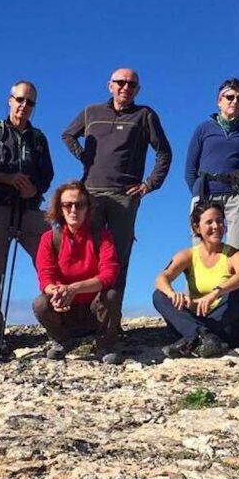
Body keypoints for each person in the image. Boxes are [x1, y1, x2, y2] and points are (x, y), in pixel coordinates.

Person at [61, 68, 171, 310]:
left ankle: (109, 317)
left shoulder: (145, 115)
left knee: (118, 257)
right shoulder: (91, 112)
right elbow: (68, 135)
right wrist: (85, 157)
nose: (125, 87)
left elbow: (164, 152)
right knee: (87, 253)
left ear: (138, 89)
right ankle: (83, 314)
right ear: (109, 85)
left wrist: (149, 184)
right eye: (120, 82)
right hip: (91, 194)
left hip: (124, 196)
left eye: (132, 84)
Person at [0, 80, 54, 353]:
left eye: (30, 102)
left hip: (30, 208)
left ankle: (60, 322)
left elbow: (47, 174)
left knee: (50, 259)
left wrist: (35, 189)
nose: (24, 105)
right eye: (20, 99)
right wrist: (6, 178)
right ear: (10, 100)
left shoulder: (39, 138)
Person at [33, 181, 121, 363]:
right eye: (67, 205)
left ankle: (105, 345)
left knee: (111, 295)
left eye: (79, 205)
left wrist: (74, 288)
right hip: (65, 309)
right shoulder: (49, 239)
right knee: (40, 304)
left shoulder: (102, 236)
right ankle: (61, 341)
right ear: (59, 209)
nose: (73, 210)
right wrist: (56, 292)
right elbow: (45, 278)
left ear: (87, 209)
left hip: (94, 309)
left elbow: (109, 275)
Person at [152, 199, 239, 358]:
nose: (216, 226)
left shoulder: (234, 254)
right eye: (209, 222)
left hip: (225, 325)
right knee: (159, 295)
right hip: (196, 321)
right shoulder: (188, 255)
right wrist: (173, 294)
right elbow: (161, 278)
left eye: (220, 221)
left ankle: (193, 340)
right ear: (197, 228)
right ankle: (202, 337)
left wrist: (215, 293)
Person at [183, 78, 239, 252]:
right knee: (202, 252)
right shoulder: (203, 129)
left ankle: (233, 270)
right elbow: (190, 168)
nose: (235, 101)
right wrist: (197, 192)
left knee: (235, 252)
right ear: (219, 101)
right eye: (230, 97)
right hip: (206, 194)